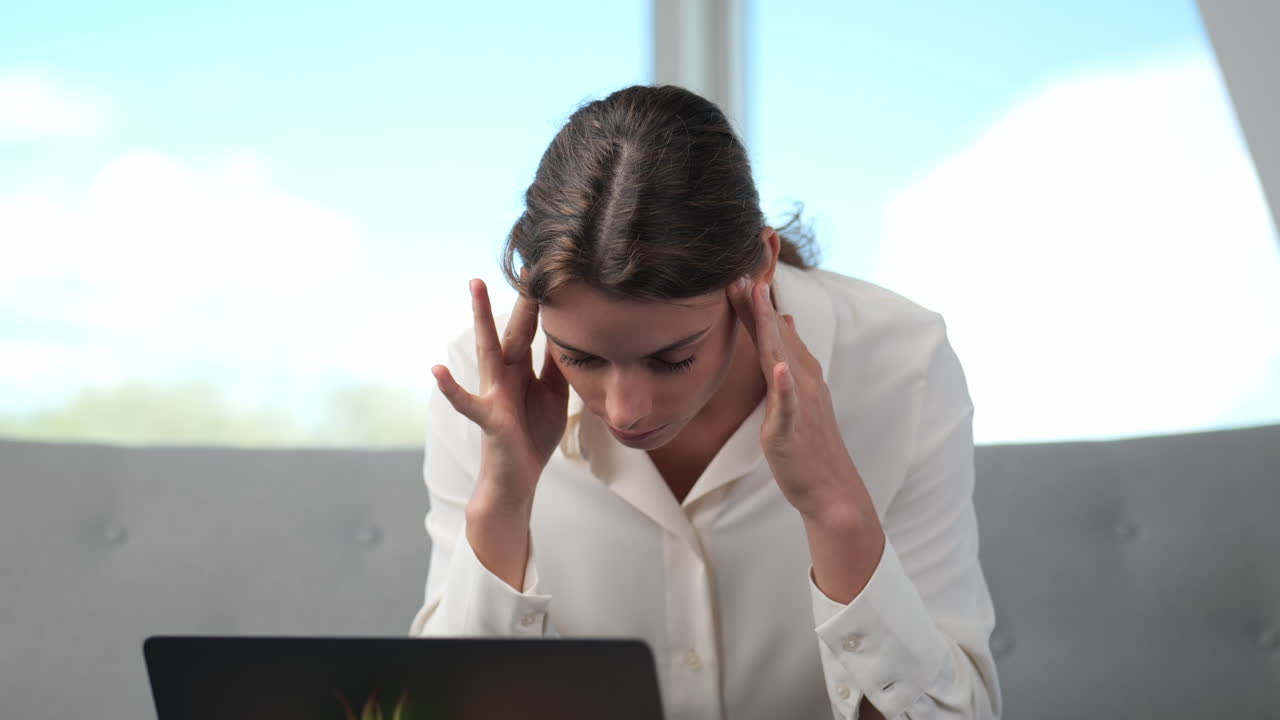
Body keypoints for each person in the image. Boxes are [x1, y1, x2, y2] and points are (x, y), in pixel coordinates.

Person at [409, 84, 1001, 720]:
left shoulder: (899, 366)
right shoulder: (481, 384)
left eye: (671, 359)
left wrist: (837, 510)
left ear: (760, 268)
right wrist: (503, 506)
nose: (624, 410)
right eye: (579, 358)